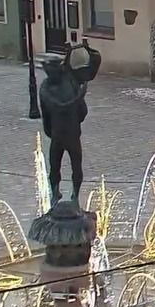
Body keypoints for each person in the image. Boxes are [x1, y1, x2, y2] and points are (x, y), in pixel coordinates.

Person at [39, 40, 101, 203]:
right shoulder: (50, 86)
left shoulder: (67, 78)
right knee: (56, 166)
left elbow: (91, 69)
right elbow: (51, 109)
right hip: (62, 133)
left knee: (73, 165)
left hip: (66, 133)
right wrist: (79, 99)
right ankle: (56, 193)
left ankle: (74, 194)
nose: (50, 74)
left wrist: (90, 52)